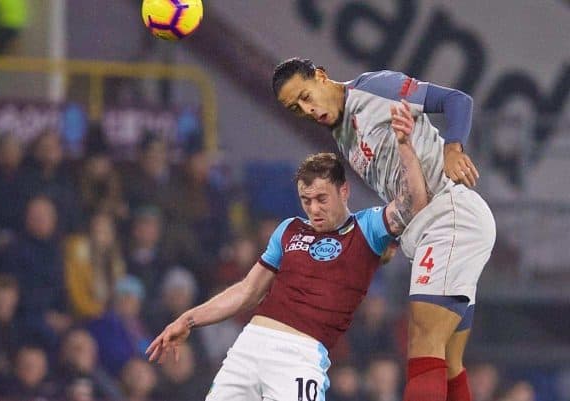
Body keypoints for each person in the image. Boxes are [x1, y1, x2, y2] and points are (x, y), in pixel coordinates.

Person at [147, 104, 427, 401]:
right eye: (306, 200)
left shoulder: (367, 227)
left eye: (322, 198)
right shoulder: (290, 229)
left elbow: (414, 203)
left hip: (299, 356)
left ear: (344, 191)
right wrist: (188, 319)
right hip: (250, 345)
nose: (314, 209)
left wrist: (405, 145)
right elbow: (246, 292)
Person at [272, 57, 497, 401]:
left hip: (449, 217)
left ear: (320, 76)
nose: (307, 109)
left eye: (306, 95)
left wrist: (453, 148)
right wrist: (391, 235)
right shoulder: (343, 135)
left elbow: (457, 101)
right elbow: (400, 188)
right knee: (448, 360)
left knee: (423, 341)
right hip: (431, 228)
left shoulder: (374, 89)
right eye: (296, 108)